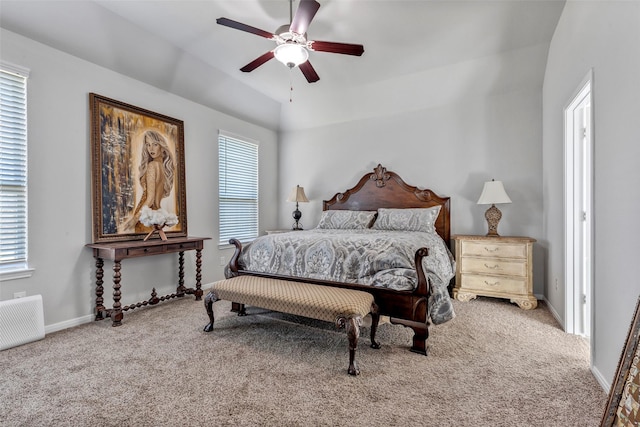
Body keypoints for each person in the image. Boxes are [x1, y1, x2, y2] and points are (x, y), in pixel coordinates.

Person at [122, 129, 175, 232]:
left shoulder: (152, 166)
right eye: (148, 144)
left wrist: (135, 219)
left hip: (146, 216)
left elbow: (150, 199)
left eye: (155, 144)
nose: (151, 148)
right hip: (156, 216)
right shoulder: (163, 168)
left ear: (161, 146)